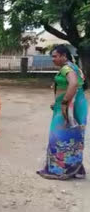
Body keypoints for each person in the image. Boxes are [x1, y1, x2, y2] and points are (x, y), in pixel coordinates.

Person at [37, 45, 88, 180]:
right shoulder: (75, 66)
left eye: (55, 56)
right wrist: (58, 101)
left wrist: (64, 103)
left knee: (58, 136)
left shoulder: (67, 68)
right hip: (78, 104)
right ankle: (76, 170)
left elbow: (73, 84)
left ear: (64, 56)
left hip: (69, 106)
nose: (53, 59)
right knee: (75, 137)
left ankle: (58, 170)